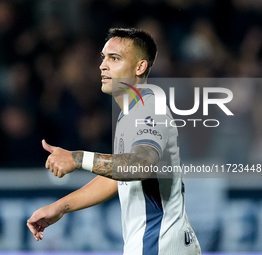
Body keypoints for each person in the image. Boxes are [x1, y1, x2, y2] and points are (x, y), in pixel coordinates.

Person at [27, 28, 201, 255]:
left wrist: (77, 158)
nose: (103, 65)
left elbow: (139, 165)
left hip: (158, 246)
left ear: (140, 67)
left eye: (114, 58)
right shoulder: (131, 112)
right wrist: (60, 207)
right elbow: (118, 178)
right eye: (103, 58)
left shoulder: (148, 110)